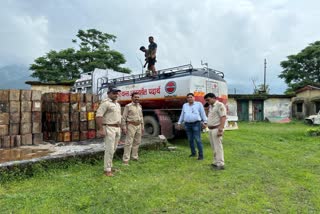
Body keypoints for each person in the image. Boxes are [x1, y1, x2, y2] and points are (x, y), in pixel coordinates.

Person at [96, 87, 122, 177]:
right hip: (109, 128)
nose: (116, 95)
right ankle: (107, 170)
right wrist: (100, 129)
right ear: (109, 94)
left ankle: (110, 166)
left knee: (113, 149)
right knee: (109, 149)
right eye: (114, 93)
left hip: (117, 128)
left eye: (117, 93)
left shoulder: (117, 104)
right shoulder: (105, 103)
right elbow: (99, 116)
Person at [177, 93, 208, 160]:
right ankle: (193, 153)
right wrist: (179, 123)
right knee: (190, 140)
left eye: (191, 97)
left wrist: (205, 122)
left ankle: (201, 155)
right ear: (187, 99)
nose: (190, 98)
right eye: (188, 97)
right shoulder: (185, 105)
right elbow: (182, 114)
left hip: (196, 124)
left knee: (197, 139)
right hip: (187, 124)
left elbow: (203, 113)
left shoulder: (198, 104)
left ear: (194, 98)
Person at [204, 93, 227, 170]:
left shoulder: (219, 105)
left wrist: (221, 129)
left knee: (218, 147)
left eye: (208, 100)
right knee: (213, 147)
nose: (207, 102)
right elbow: (209, 116)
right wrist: (206, 109)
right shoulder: (210, 106)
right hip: (210, 129)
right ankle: (215, 162)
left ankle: (220, 164)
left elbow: (223, 117)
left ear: (214, 98)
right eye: (206, 100)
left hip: (216, 128)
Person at [121, 92, 144, 165]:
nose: (137, 98)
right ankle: (125, 160)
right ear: (132, 98)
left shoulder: (140, 106)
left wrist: (142, 126)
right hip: (131, 125)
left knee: (137, 142)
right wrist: (124, 127)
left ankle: (134, 157)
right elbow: (123, 118)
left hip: (139, 125)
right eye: (135, 97)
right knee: (128, 143)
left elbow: (141, 116)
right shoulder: (128, 106)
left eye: (138, 97)